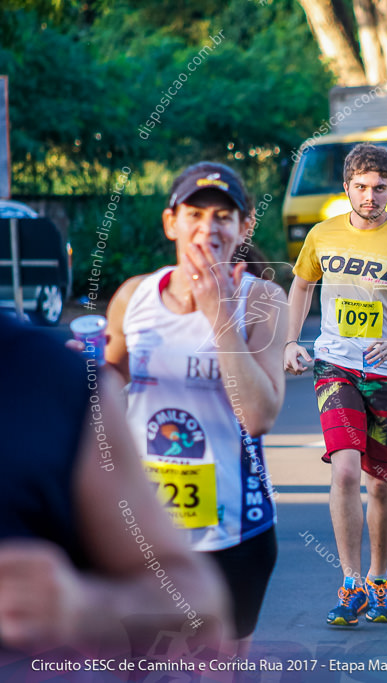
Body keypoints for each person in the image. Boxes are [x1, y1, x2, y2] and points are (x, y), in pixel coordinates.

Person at [103, 162, 288, 647]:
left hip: (234, 533)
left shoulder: (264, 300)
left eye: (224, 216)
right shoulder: (132, 298)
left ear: (244, 227)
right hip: (144, 529)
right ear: (171, 223)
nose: (209, 228)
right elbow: (106, 385)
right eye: (196, 214)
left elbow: (259, 415)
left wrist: (218, 313)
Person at [0, 313, 228, 656]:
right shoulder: (133, 300)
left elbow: (197, 600)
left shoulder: (46, 375)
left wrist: (79, 606)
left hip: (224, 511)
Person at [284, 143, 387, 627]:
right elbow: (303, 283)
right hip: (335, 365)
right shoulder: (322, 235)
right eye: (361, 187)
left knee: (381, 485)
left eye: (380, 188)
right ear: (347, 187)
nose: (370, 197)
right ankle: (349, 583)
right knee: (345, 471)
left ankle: (379, 579)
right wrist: (290, 342)